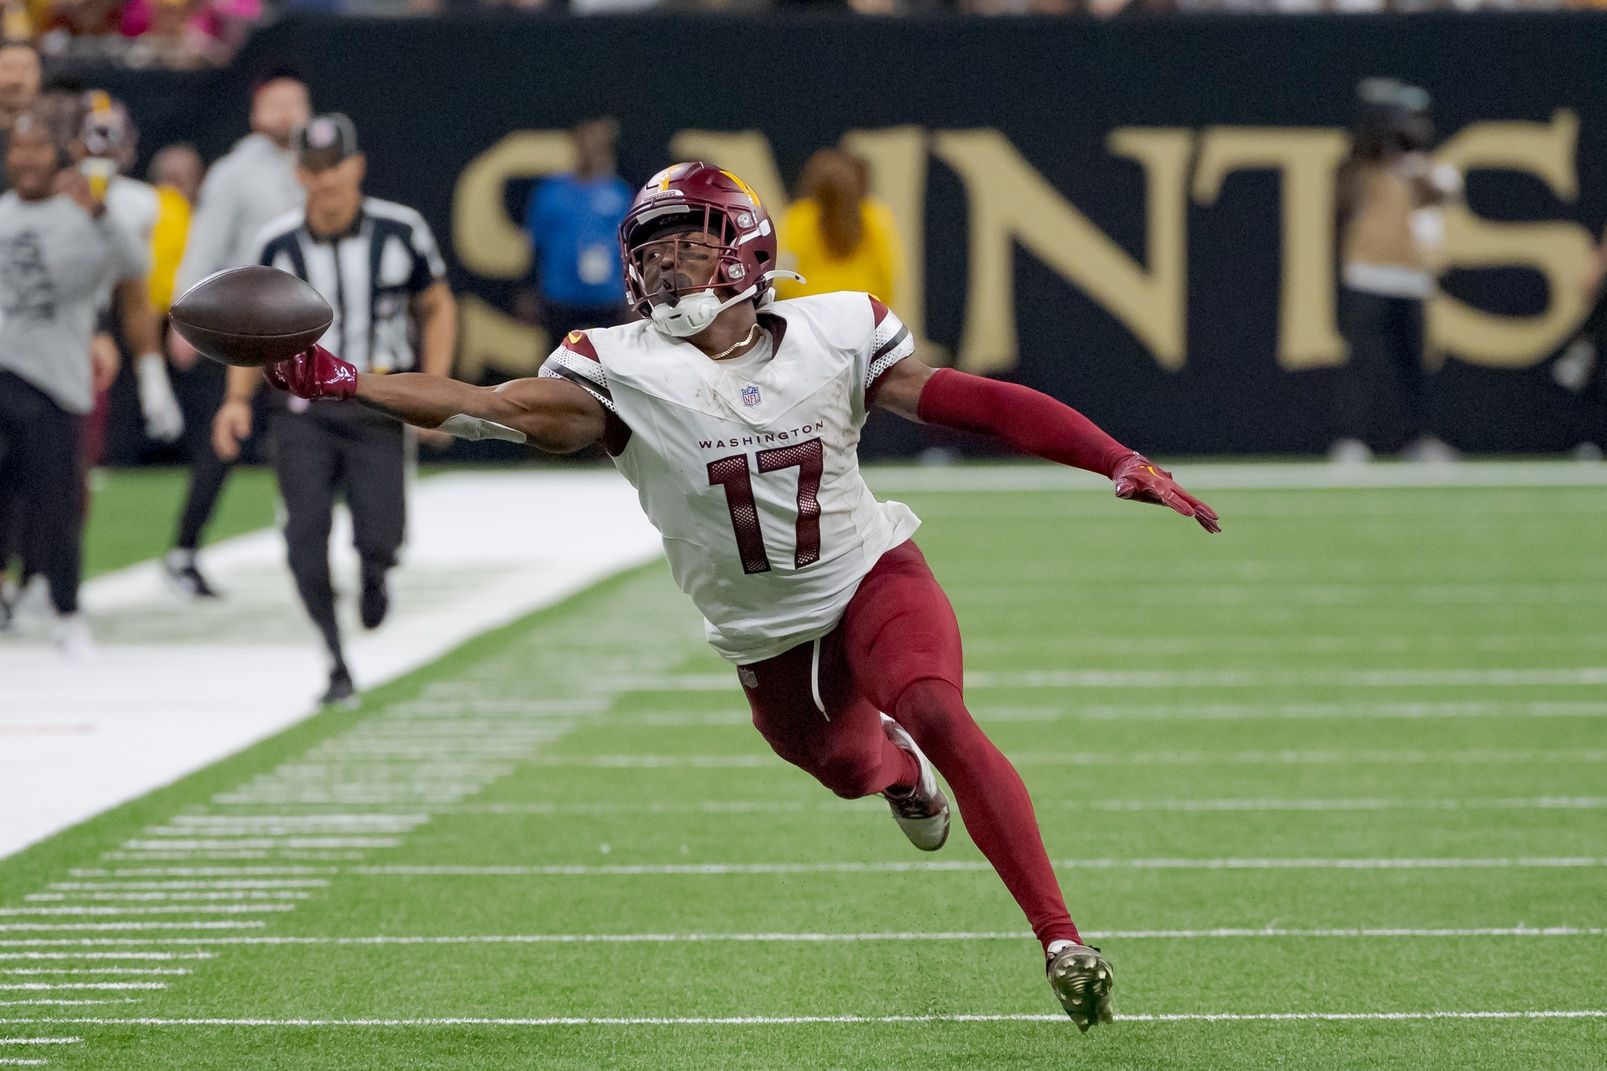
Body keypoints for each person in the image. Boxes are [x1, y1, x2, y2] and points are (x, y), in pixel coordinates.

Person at [256, 162, 1219, 1028]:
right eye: (654, 250)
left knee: (936, 704)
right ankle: (900, 775)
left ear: (745, 245)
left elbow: (973, 400)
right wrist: (351, 383)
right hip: (766, 638)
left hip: (871, 574)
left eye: (690, 241)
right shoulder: (618, 369)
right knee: (849, 766)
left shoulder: (835, 333)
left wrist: (1113, 458)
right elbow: (489, 406)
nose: (669, 266)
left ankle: (1060, 939)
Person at [214, 113, 456, 706]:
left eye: (335, 167)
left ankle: (374, 572)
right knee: (304, 543)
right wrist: (236, 401)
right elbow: (252, 330)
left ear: (357, 166)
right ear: (299, 173)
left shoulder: (401, 231)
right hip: (303, 413)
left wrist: (435, 389)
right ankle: (335, 658)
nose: (325, 181)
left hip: (375, 404)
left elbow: (437, 305)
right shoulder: (276, 242)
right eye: (313, 170)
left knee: (382, 536)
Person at [0, 105, 150, 655]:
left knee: (57, 507)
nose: (26, 158)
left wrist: (102, 211)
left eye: (38, 147)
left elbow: (136, 264)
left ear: (59, 155)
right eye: (18, 147)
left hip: (56, 379)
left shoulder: (81, 216)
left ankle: (66, 610)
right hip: (4, 372)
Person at [164, 66, 309, 598]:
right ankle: (184, 550)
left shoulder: (312, 168)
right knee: (223, 441)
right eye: (278, 102)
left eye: (298, 102)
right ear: (255, 112)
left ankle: (306, 552)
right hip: (240, 330)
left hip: (296, 332)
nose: (289, 112)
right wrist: (183, 317)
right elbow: (205, 244)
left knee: (309, 440)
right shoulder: (234, 171)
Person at [1332, 78, 1462, 464]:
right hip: (1368, 275)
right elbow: (1343, 191)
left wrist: (1413, 164)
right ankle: (1353, 440)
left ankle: (1418, 439)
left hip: (1410, 280)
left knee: (1414, 367)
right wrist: (1377, 141)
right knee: (1363, 365)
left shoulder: (1427, 171)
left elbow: (1444, 194)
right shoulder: (1360, 166)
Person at [514, 117, 632, 343]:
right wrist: (528, 290)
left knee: (608, 367)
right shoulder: (551, 192)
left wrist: (631, 298)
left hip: (606, 299)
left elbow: (630, 251)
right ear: (576, 144)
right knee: (556, 366)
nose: (591, 149)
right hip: (560, 297)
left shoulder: (619, 193)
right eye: (586, 141)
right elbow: (535, 246)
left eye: (598, 143)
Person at [775, 147, 903, 309]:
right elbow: (888, 277)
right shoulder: (876, 216)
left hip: (811, 314)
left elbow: (786, 279)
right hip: (864, 313)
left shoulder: (797, 218)